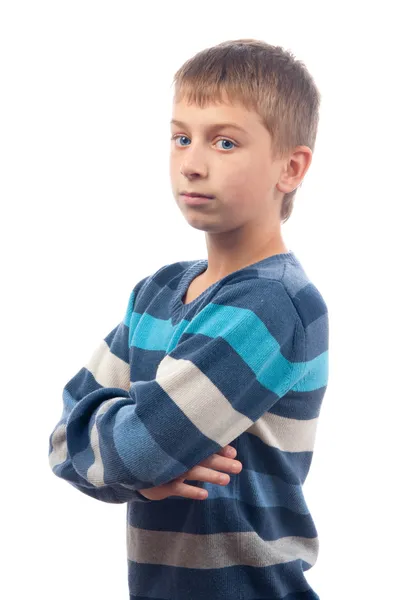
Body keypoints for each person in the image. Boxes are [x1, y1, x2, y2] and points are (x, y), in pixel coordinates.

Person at [48, 38, 329, 600]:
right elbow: (60, 441)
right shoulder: (155, 292)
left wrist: (135, 451)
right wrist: (146, 475)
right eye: (181, 138)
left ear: (290, 168)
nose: (192, 164)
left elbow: (145, 448)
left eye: (225, 142)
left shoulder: (275, 305)